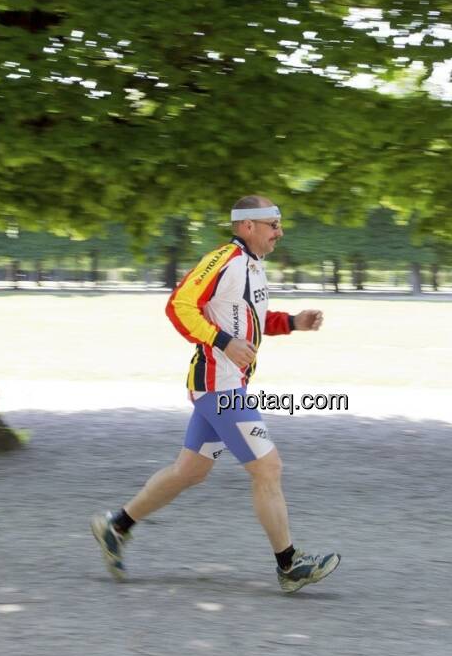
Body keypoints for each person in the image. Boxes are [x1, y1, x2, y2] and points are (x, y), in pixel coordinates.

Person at [91, 195, 341, 593]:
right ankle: (290, 565)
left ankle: (115, 526)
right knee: (267, 467)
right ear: (246, 226)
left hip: (226, 386)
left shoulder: (253, 267)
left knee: (190, 471)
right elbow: (180, 306)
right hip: (219, 388)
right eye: (272, 223)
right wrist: (221, 341)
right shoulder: (224, 260)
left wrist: (293, 322)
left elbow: (250, 322)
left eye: (279, 223)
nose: (280, 231)